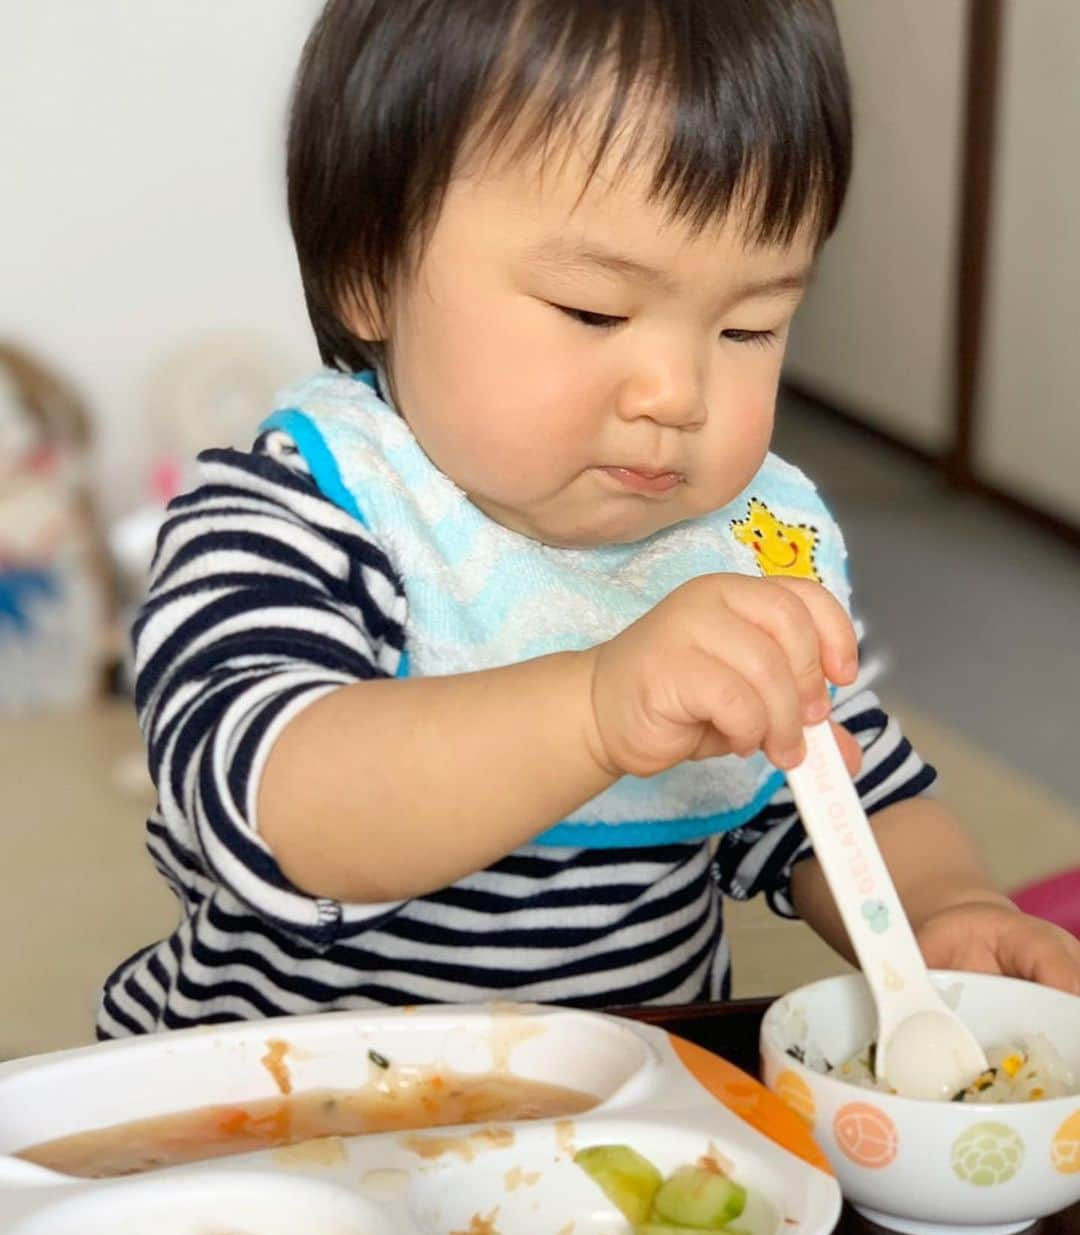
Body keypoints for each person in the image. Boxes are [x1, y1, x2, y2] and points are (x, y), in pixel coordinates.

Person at [99, 0, 1079, 1037]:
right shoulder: (300, 509)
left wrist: (945, 909)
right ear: (368, 269)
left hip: (633, 1125)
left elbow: (847, 793)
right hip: (289, 1122)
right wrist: (597, 708)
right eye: (595, 312)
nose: (676, 392)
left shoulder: (745, 547)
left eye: (749, 325)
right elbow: (275, 807)